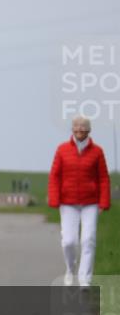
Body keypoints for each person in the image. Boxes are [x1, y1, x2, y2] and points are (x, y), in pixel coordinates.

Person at [48, 116, 111, 288]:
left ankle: (85, 278)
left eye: (83, 127)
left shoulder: (97, 151)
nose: (80, 130)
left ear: (89, 130)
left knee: (88, 239)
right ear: (72, 129)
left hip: (91, 203)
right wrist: (54, 199)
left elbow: (103, 178)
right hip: (68, 203)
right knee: (69, 241)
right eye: (76, 127)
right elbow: (54, 176)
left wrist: (104, 202)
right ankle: (70, 268)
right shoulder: (62, 150)